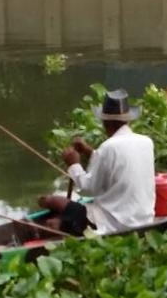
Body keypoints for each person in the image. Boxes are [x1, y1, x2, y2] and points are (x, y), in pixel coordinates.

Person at [38, 89, 156, 237]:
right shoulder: (146, 142)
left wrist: (74, 164)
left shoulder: (108, 147)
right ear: (127, 120)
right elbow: (114, 163)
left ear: (106, 121)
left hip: (113, 224)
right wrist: (89, 152)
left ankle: (55, 225)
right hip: (144, 220)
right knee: (58, 205)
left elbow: (88, 189)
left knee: (53, 201)